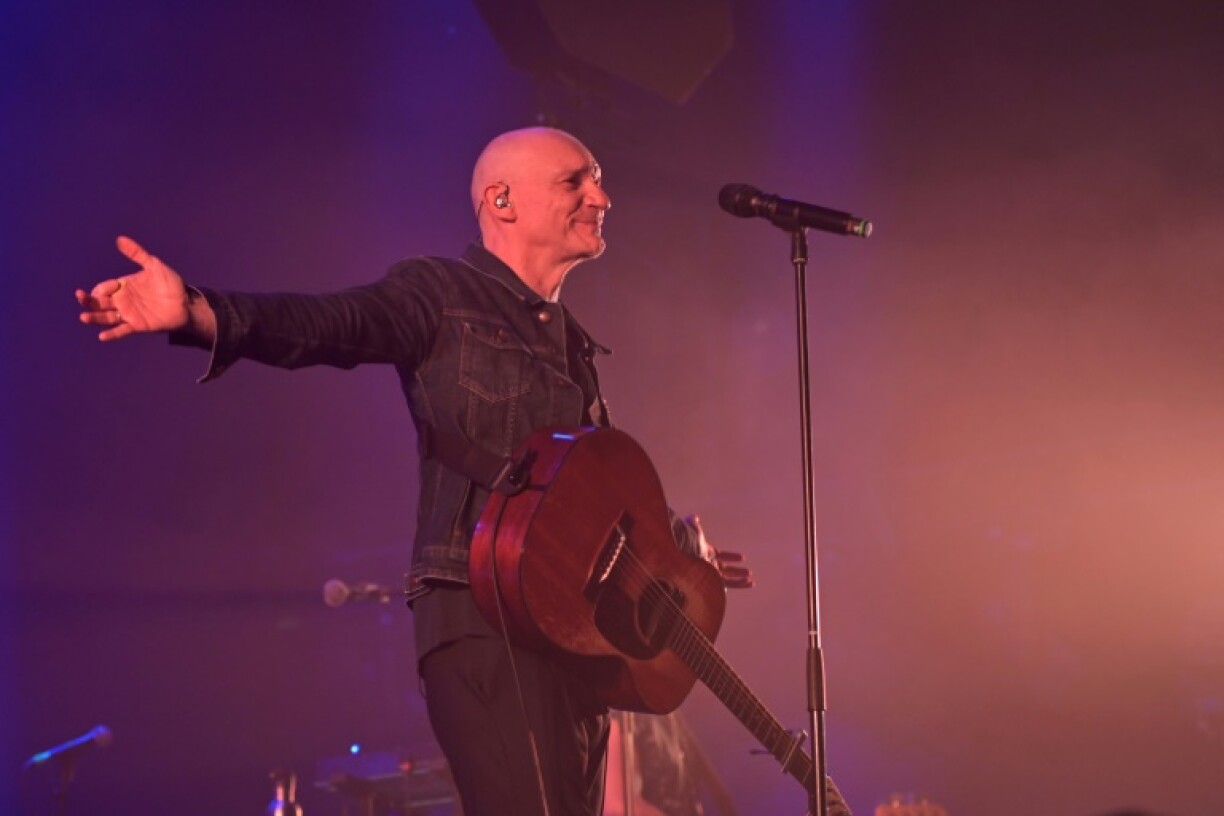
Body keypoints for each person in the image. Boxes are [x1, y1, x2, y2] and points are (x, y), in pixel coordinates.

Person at [75, 127, 847, 816]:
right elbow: (329, 325)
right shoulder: (439, 293)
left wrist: (673, 550)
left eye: (598, 180)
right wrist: (199, 311)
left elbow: (584, 490)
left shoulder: (574, 344)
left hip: (570, 634)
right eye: (576, 180)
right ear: (501, 201)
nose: (602, 196)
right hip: (480, 615)